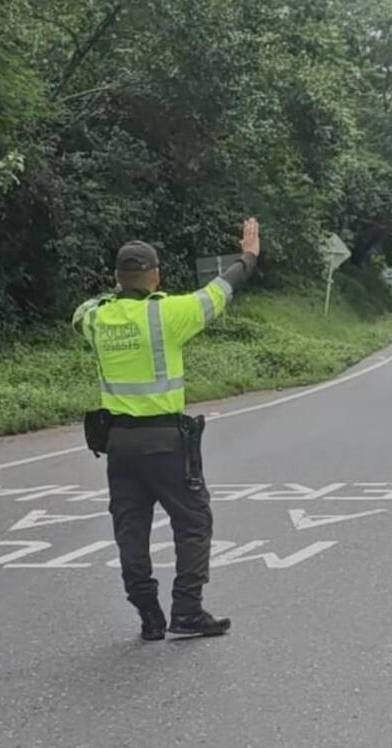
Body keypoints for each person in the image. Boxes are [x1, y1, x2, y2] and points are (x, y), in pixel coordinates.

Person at [72, 218, 261, 640]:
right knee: (193, 521)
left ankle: (148, 615)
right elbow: (220, 290)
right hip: (165, 443)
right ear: (156, 276)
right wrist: (248, 257)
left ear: (117, 278)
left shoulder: (98, 318)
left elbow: (80, 313)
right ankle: (187, 610)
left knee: (130, 529)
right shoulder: (168, 313)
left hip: (119, 445)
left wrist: (115, 294)